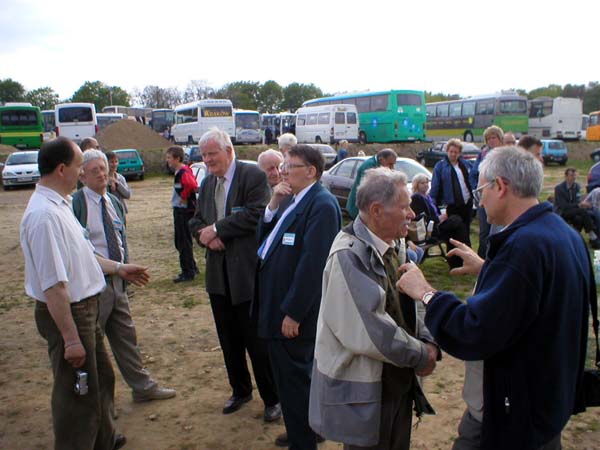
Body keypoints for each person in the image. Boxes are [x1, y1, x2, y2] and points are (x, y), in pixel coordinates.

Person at [398, 146, 592, 450]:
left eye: (481, 191)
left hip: (514, 416)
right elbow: (536, 295)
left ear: (500, 186)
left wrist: (426, 293)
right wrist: (490, 268)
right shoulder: (562, 233)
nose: (480, 201)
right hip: (547, 402)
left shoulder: (523, 248)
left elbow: (474, 331)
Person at [20, 136, 149, 450]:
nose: (82, 172)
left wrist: (118, 268)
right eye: (79, 166)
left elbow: (84, 255)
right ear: (61, 169)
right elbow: (53, 286)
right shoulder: (45, 217)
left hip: (85, 310)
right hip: (72, 313)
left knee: (101, 378)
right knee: (76, 395)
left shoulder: (60, 205)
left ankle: (105, 439)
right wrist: (71, 339)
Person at [310, 167, 438, 450]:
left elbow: (413, 300)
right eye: (404, 207)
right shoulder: (348, 256)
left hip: (398, 379)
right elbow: (374, 331)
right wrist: (422, 354)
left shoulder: (395, 244)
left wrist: (427, 339)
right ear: (377, 211)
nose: (411, 214)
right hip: (369, 392)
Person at [189, 128, 281, 422]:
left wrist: (217, 230)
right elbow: (196, 220)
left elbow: (256, 214)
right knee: (228, 340)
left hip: (246, 276)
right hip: (218, 277)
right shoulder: (207, 182)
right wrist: (205, 237)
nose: (207, 160)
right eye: (204, 155)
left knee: (257, 342)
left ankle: (273, 398)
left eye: (212, 154)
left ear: (228, 151)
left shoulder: (252, 176)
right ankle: (240, 390)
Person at [73, 150, 176, 403]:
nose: (102, 174)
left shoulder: (113, 201)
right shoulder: (76, 204)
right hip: (93, 286)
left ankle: (143, 388)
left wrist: (125, 270)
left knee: (126, 337)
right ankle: (93, 402)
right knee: (91, 344)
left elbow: (120, 238)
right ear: (82, 176)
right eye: (94, 170)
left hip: (118, 283)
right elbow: (77, 251)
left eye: (103, 168)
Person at [257, 144, 342, 449]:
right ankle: (305, 430)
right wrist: (272, 204)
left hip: (293, 313)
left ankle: (303, 441)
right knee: (293, 381)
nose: (282, 172)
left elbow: (314, 265)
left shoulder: (321, 204)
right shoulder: (292, 199)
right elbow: (265, 241)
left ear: (310, 171)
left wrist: (294, 312)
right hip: (275, 303)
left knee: (294, 381)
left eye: (289, 166)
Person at [410, 173, 470, 268]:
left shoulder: (428, 197)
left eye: (427, 182)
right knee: (456, 222)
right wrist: (438, 218)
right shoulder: (416, 198)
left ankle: (458, 260)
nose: (426, 185)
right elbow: (420, 219)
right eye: (422, 183)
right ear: (416, 184)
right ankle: (463, 255)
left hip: (437, 225)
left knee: (456, 226)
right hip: (430, 229)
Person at [429, 139, 473, 249]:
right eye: (451, 151)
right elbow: (435, 189)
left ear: (460, 153)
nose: (453, 154)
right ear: (447, 151)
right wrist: (437, 209)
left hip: (466, 204)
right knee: (454, 235)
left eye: (456, 152)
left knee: (466, 231)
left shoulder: (465, 164)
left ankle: (466, 254)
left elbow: (471, 181)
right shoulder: (440, 166)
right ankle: (455, 257)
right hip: (450, 206)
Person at [469, 125, 504, 258]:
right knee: (484, 231)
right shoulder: (483, 154)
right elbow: (473, 174)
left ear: (500, 138)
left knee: (498, 229)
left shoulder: (505, 155)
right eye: (488, 138)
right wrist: (477, 190)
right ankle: (482, 259)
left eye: (493, 137)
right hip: (483, 198)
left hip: (500, 198)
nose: (491, 141)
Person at [166, 146, 199, 282]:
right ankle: (192, 267)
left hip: (182, 211)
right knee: (182, 241)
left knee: (182, 242)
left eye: (169, 158)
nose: (167, 160)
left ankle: (188, 272)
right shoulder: (181, 171)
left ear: (177, 158)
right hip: (181, 209)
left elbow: (192, 185)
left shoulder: (183, 171)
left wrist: (184, 197)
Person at [554, 167, 600, 248]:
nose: (574, 177)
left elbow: (577, 200)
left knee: (579, 218)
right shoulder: (559, 188)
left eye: (575, 175)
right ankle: (592, 236)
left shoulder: (577, 186)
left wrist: (581, 204)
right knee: (582, 211)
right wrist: (579, 205)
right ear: (566, 176)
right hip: (562, 212)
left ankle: (577, 239)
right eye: (572, 175)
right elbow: (563, 206)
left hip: (574, 211)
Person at [347, 148, 398, 218]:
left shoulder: (379, 165)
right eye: (390, 164)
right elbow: (369, 191)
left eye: (393, 164)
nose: (392, 168)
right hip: (359, 206)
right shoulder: (369, 166)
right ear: (381, 159)